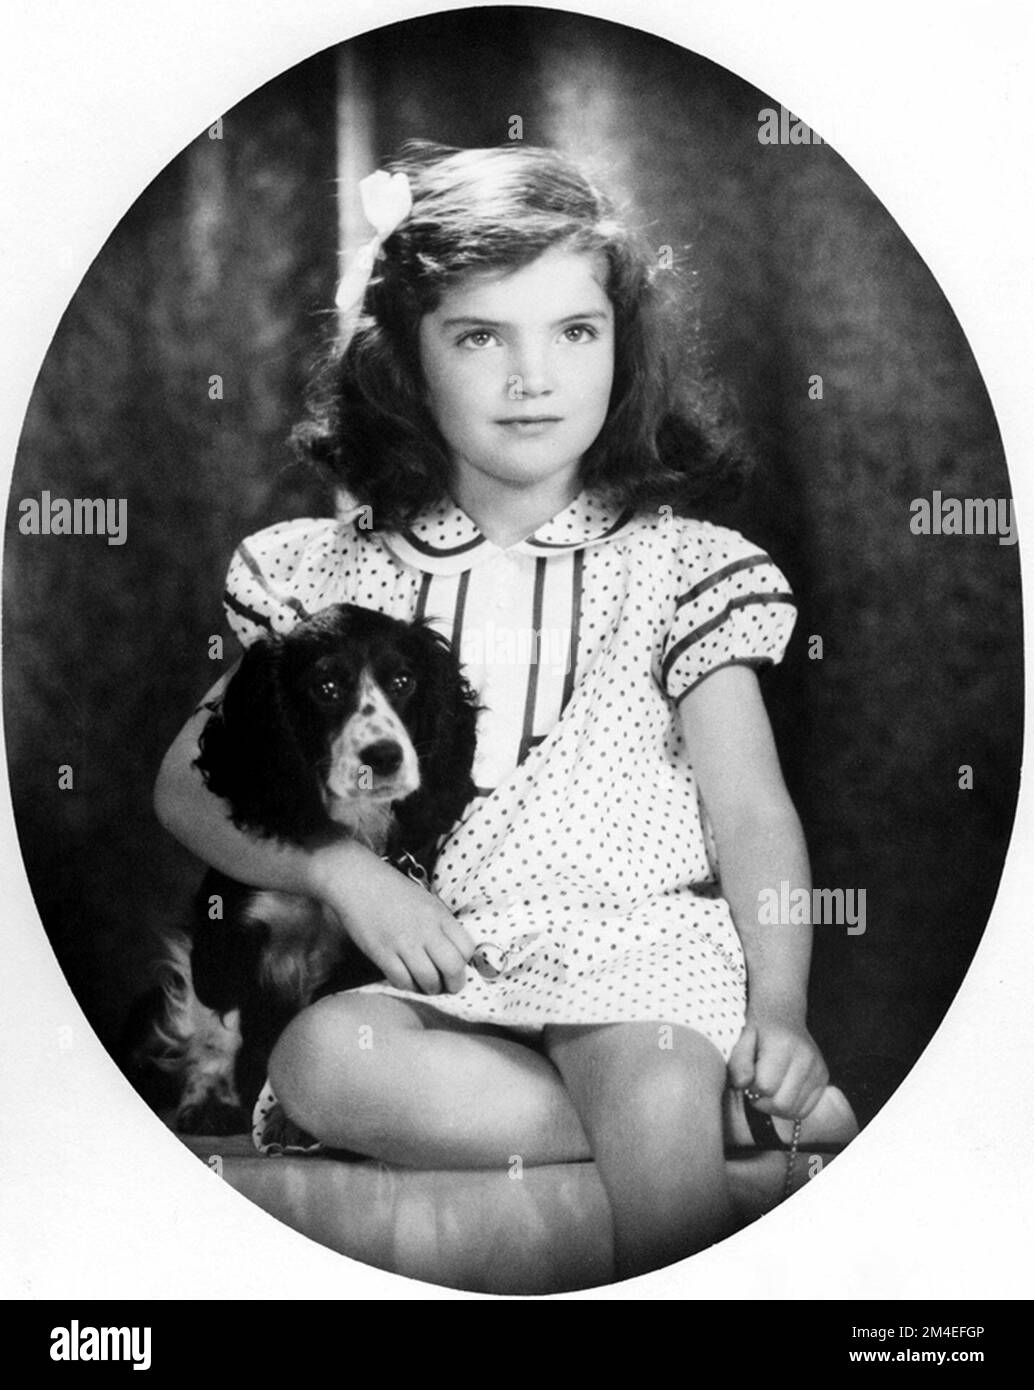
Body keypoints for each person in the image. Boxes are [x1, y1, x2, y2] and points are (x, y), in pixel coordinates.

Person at [155, 140, 853, 1282]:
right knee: (327, 1059)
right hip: (451, 978)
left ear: (619, 349)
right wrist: (341, 869)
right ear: (404, 363)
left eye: (574, 332)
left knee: (648, 1057)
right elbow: (186, 778)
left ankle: (676, 1115)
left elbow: (753, 817)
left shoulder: (681, 571)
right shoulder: (338, 571)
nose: (534, 377)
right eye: (480, 336)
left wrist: (777, 1007)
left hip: (635, 963)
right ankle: (715, 1123)